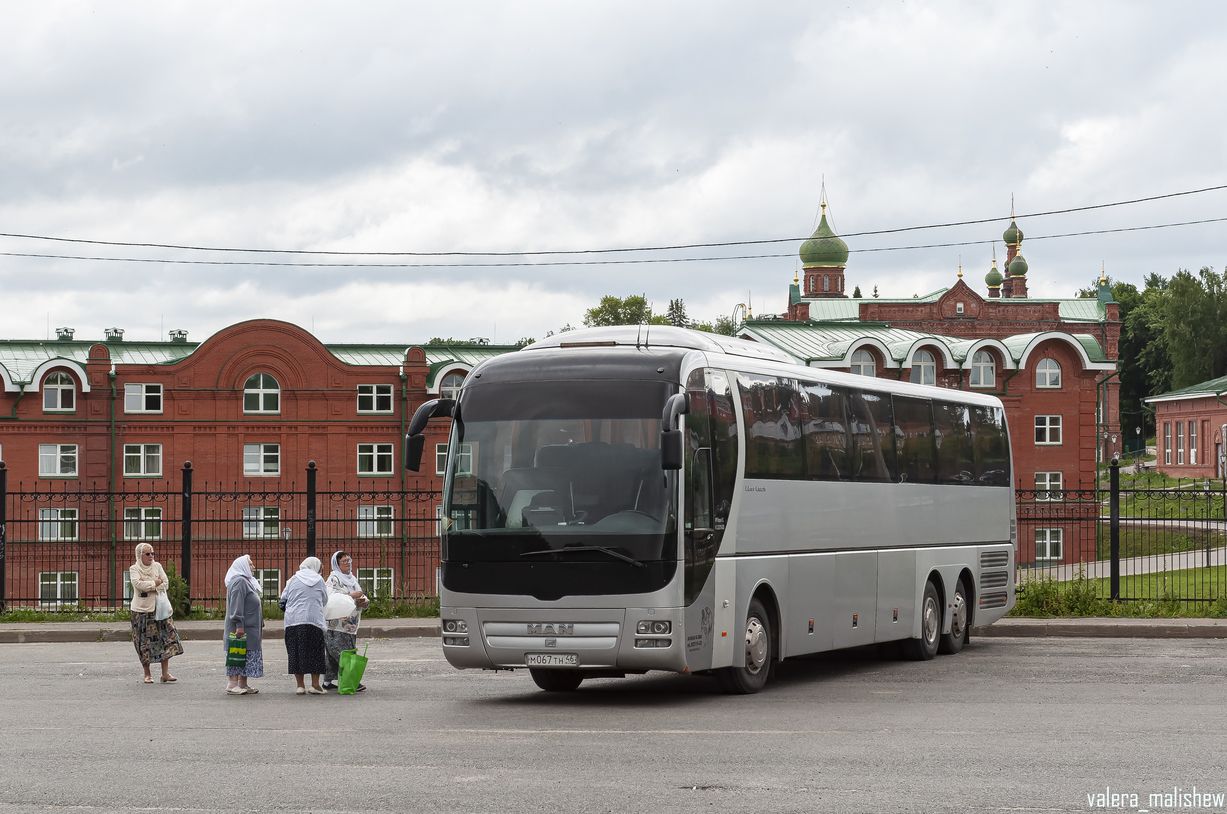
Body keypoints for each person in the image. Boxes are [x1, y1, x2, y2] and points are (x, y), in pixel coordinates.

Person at [129, 543, 184, 684]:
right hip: (141, 611)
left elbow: (165, 583)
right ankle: (147, 674)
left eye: (152, 553)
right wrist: (155, 583)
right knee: (143, 643)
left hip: (160, 609)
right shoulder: (134, 569)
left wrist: (150, 584)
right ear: (139, 555)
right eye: (147, 554)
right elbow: (138, 585)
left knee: (166, 639)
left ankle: (165, 673)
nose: (151, 556)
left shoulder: (157, 566)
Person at [323, 550, 369, 692]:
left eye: (349, 560)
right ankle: (352, 680)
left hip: (350, 623)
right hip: (336, 624)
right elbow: (331, 599)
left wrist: (364, 602)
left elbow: (360, 594)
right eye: (344, 561)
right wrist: (352, 596)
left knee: (335, 653)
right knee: (343, 652)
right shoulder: (333, 579)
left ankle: (327, 682)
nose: (348, 563)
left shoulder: (351, 578)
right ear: (337, 564)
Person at [282, 556, 329, 695]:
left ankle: (300, 686)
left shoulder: (292, 580)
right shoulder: (319, 580)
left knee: (296, 652)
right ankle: (315, 685)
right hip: (313, 620)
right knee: (316, 652)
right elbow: (325, 599)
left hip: (293, 621)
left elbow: (283, 597)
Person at [224, 554, 264, 695]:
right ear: (243, 566)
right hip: (241, 628)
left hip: (250, 627)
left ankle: (242, 684)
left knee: (243, 655)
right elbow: (237, 605)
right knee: (236, 653)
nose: (253, 567)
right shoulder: (239, 582)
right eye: (250, 564)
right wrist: (239, 625)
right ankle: (232, 685)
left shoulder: (246, 581)